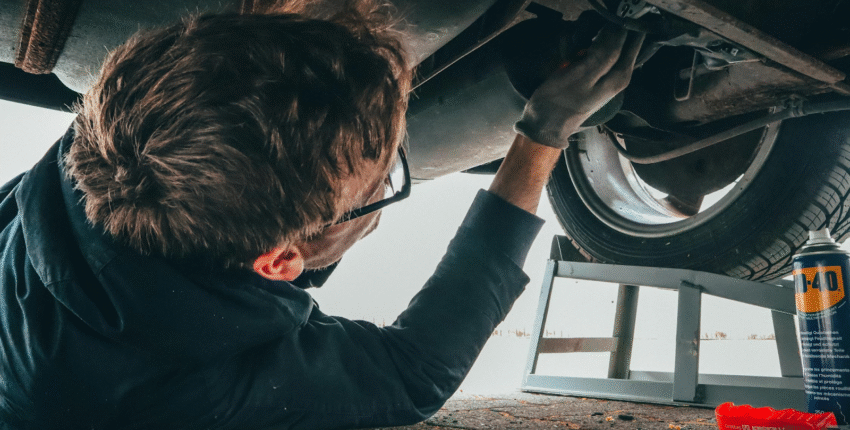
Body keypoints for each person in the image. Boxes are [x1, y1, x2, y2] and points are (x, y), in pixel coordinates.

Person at [0, 1, 643, 428]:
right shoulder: (178, 389)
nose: (386, 183)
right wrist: (541, 136)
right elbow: (415, 372)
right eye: (383, 182)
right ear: (279, 260)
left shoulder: (123, 134)